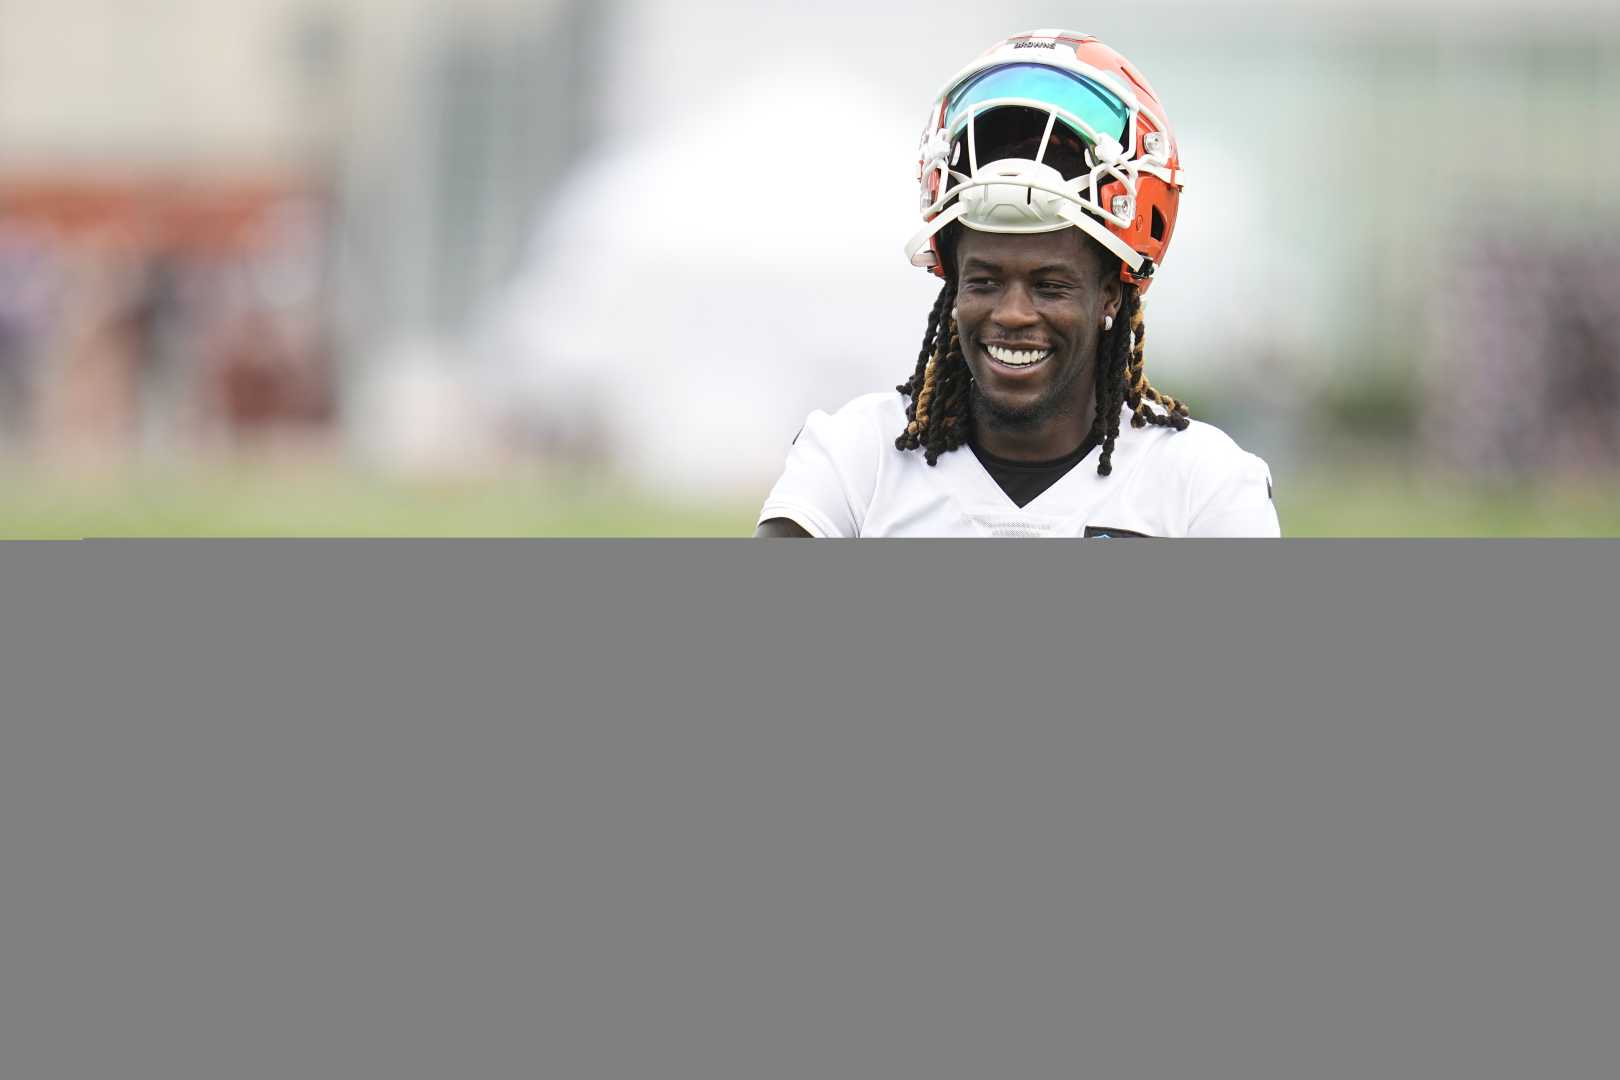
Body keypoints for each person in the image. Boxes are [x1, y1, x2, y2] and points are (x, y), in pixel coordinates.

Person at [755, 29, 1279, 538]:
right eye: (984, 281)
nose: (1012, 314)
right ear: (951, 285)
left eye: (1050, 286)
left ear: (1111, 295)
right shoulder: (856, 458)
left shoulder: (1205, 486)